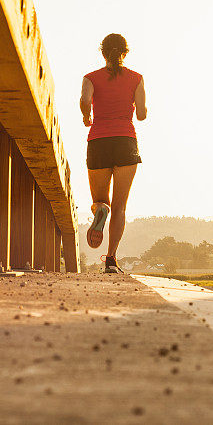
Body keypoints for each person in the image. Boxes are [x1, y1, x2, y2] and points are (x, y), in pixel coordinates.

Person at [80, 33, 147, 274]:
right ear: (125, 53)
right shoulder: (136, 78)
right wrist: (140, 107)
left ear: (102, 52)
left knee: (101, 201)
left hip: (99, 140)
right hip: (126, 142)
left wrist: (86, 115)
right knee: (120, 206)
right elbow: (141, 114)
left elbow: (84, 100)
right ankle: (111, 259)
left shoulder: (91, 78)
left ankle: (100, 210)